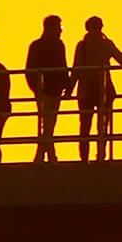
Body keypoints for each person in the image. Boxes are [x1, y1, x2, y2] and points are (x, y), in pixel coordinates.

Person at [72, 17, 122, 161]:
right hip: (103, 89)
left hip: (86, 90)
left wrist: (69, 89)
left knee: (86, 125)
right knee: (102, 125)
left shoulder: (82, 45)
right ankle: (100, 156)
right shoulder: (106, 44)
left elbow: (76, 69)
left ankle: (85, 159)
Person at [24, 15, 72, 162]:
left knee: (49, 124)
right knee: (48, 123)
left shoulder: (58, 45)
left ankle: (44, 155)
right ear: (50, 28)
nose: (60, 31)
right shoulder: (38, 46)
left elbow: (63, 66)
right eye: (58, 28)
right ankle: (47, 156)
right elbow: (30, 70)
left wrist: (67, 85)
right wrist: (37, 89)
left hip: (54, 89)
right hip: (44, 89)